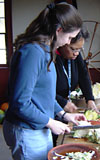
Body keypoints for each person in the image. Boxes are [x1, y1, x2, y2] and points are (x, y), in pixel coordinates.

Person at [3, 2, 87, 160]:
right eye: (69, 37)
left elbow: (43, 95)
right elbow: (20, 103)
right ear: (58, 30)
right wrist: (50, 122)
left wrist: (63, 115)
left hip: (37, 126)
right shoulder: (33, 52)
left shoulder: (46, 50)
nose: (69, 42)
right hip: (26, 129)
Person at [55, 27, 99, 113]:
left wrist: (90, 99)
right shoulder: (52, 59)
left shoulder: (75, 56)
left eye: (79, 49)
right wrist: (63, 103)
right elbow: (45, 91)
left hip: (67, 104)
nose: (76, 53)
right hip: (53, 105)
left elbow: (83, 75)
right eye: (73, 49)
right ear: (64, 43)